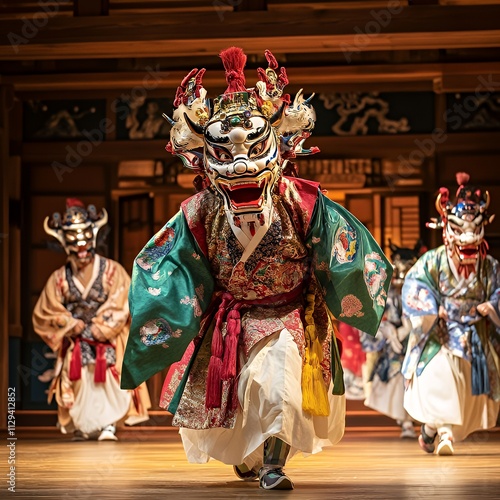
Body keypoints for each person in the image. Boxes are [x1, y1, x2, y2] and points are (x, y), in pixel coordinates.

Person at [121, 47, 392, 490]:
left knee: (278, 383)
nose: (241, 162)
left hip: (287, 313)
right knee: (243, 395)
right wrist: (169, 304)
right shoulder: (200, 210)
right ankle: (250, 456)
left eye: (253, 146)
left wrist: (342, 290)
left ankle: (273, 464)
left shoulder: (299, 202)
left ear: (279, 145)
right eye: (224, 151)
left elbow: (344, 249)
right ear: (204, 157)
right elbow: (164, 265)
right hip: (233, 318)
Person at [33, 199, 150, 441]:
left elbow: (125, 298)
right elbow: (45, 311)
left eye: (84, 239)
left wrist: (103, 325)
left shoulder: (112, 270)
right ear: (65, 243)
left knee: (109, 379)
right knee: (78, 381)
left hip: (106, 338)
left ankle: (109, 424)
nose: (81, 247)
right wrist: (68, 323)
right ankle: (83, 426)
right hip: (76, 339)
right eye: (74, 241)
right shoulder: (59, 278)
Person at [402, 172, 500, 456]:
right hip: (440, 333)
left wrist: (492, 306)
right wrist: (433, 307)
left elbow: (498, 290)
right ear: (447, 230)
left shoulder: (490, 266)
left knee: (465, 389)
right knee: (440, 379)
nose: (468, 237)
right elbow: (415, 285)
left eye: (474, 230)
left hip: (475, 335)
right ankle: (445, 434)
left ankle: (432, 429)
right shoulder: (432, 261)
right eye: (461, 231)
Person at [362, 241, 424, 439]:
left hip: (416, 336)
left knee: (419, 377)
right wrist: (385, 329)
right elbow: (373, 312)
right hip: (392, 339)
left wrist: (411, 327)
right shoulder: (382, 284)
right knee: (396, 377)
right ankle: (405, 421)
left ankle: (418, 419)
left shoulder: (420, 285)